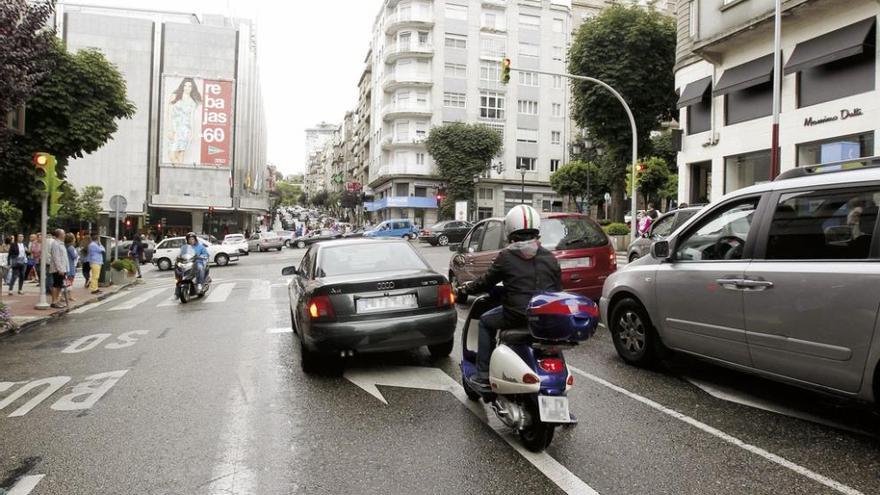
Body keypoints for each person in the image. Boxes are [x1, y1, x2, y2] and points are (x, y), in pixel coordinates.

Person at [462, 205, 563, 389]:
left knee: (485, 322)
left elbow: (486, 282)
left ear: (510, 230)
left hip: (516, 315)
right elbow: (557, 290)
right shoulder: (550, 257)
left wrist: (467, 289)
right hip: (545, 319)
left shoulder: (507, 256)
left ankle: (483, 374)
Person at [166, 77, 202, 165]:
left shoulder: (192, 102)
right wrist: (170, 129)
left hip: (185, 130)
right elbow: (169, 113)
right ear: (182, 86)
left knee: (180, 154)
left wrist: (192, 133)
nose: (187, 88)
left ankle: (178, 175)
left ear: (192, 88)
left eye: (190, 86)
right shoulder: (175, 96)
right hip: (174, 129)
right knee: (172, 155)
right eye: (185, 85)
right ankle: (179, 172)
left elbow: (191, 119)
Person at [48, 229, 69, 308]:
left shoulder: (61, 243)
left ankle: (57, 300)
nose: (65, 235)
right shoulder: (55, 244)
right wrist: (60, 269)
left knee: (60, 285)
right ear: (59, 235)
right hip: (58, 269)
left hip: (63, 268)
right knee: (56, 285)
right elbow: (56, 257)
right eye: (63, 233)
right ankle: (54, 301)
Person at [64, 233, 79, 302]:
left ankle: (66, 296)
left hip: (66, 265)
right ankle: (69, 296)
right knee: (70, 281)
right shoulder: (71, 248)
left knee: (66, 282)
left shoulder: (64, 246)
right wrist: (77, 254)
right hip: (70, 266)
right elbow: (74, 256)